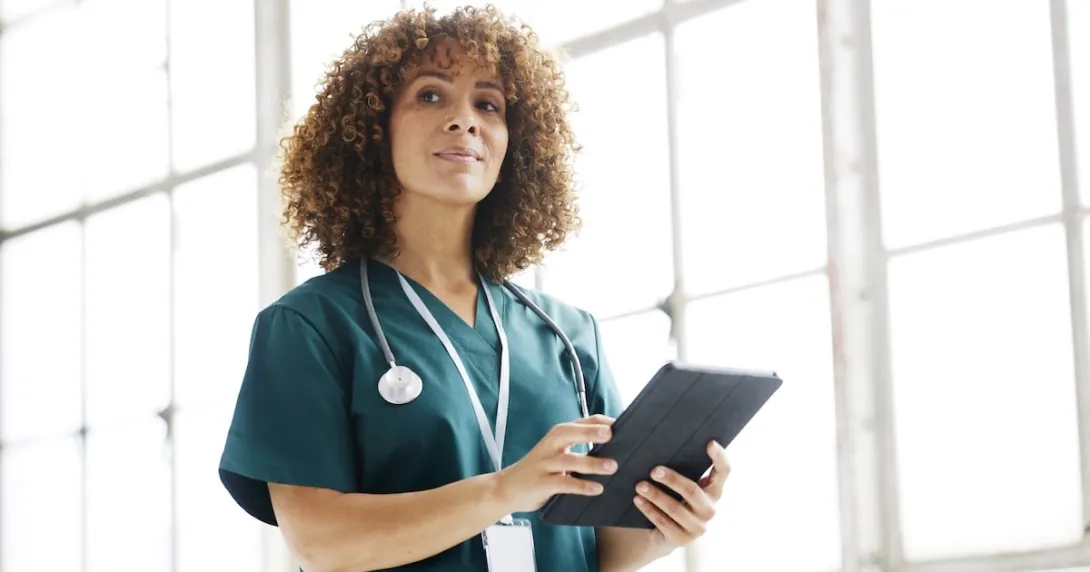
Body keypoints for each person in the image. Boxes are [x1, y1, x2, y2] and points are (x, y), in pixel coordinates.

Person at [218, 5, 731, 571]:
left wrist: (663, 528)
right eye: (430, 95)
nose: (465, 121)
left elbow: (597, 551)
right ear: (373, 130)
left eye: (488, 104)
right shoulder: (310, 325)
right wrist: (504, 490)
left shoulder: (567, 334)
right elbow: (320, 541)